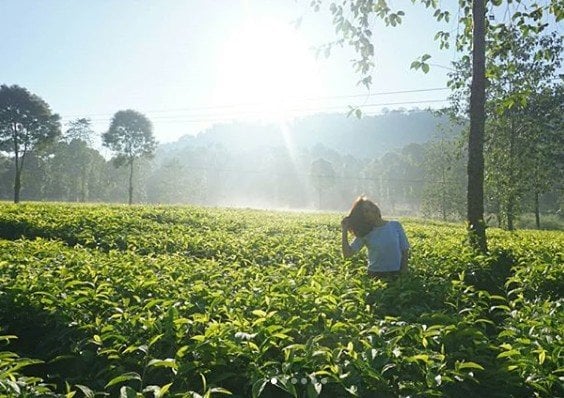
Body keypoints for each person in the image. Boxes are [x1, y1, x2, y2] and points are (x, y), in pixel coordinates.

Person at [341, 196, 410, 278]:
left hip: (396, 273)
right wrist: (344, 230)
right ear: (363, 216)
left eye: (371, 205)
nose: (372, 210)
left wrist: (404, 271)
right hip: (375, 275)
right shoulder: (366, 232)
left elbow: (404, 250)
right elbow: (348, 254)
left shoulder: (395, 225)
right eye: (366, 210)